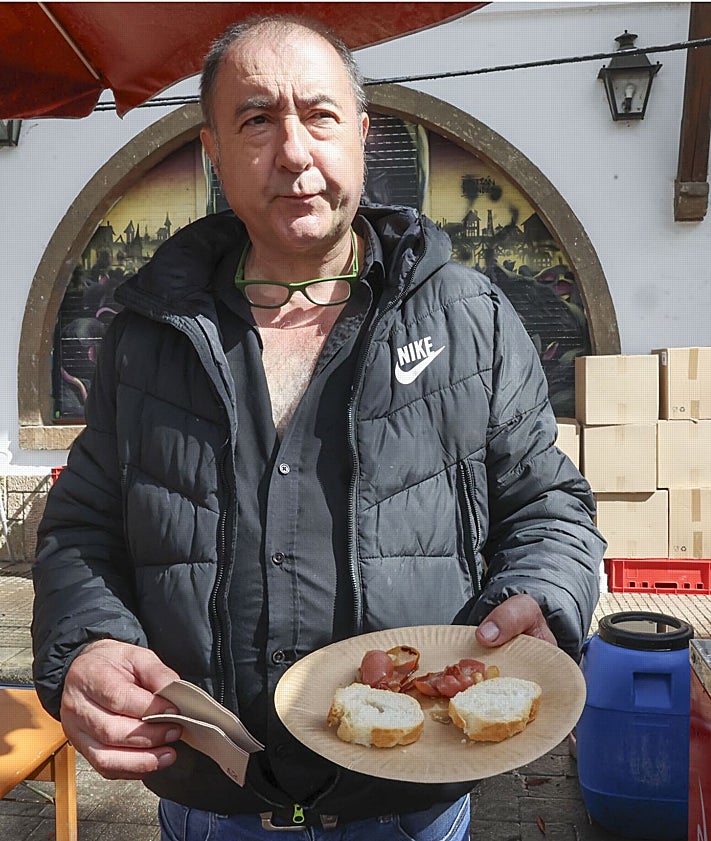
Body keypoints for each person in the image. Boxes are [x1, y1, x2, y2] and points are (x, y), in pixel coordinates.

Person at [32, 14, 605, 841]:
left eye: (319, 115)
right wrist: (84, 645)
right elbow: (81, 530)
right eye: (257, 119)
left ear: (362, 137)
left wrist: (542, 599)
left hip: (410, 803)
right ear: (212, 152)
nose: (294, 152)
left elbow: (549, 506)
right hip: (210, 802)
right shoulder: (145, 336)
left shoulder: (467, 317)